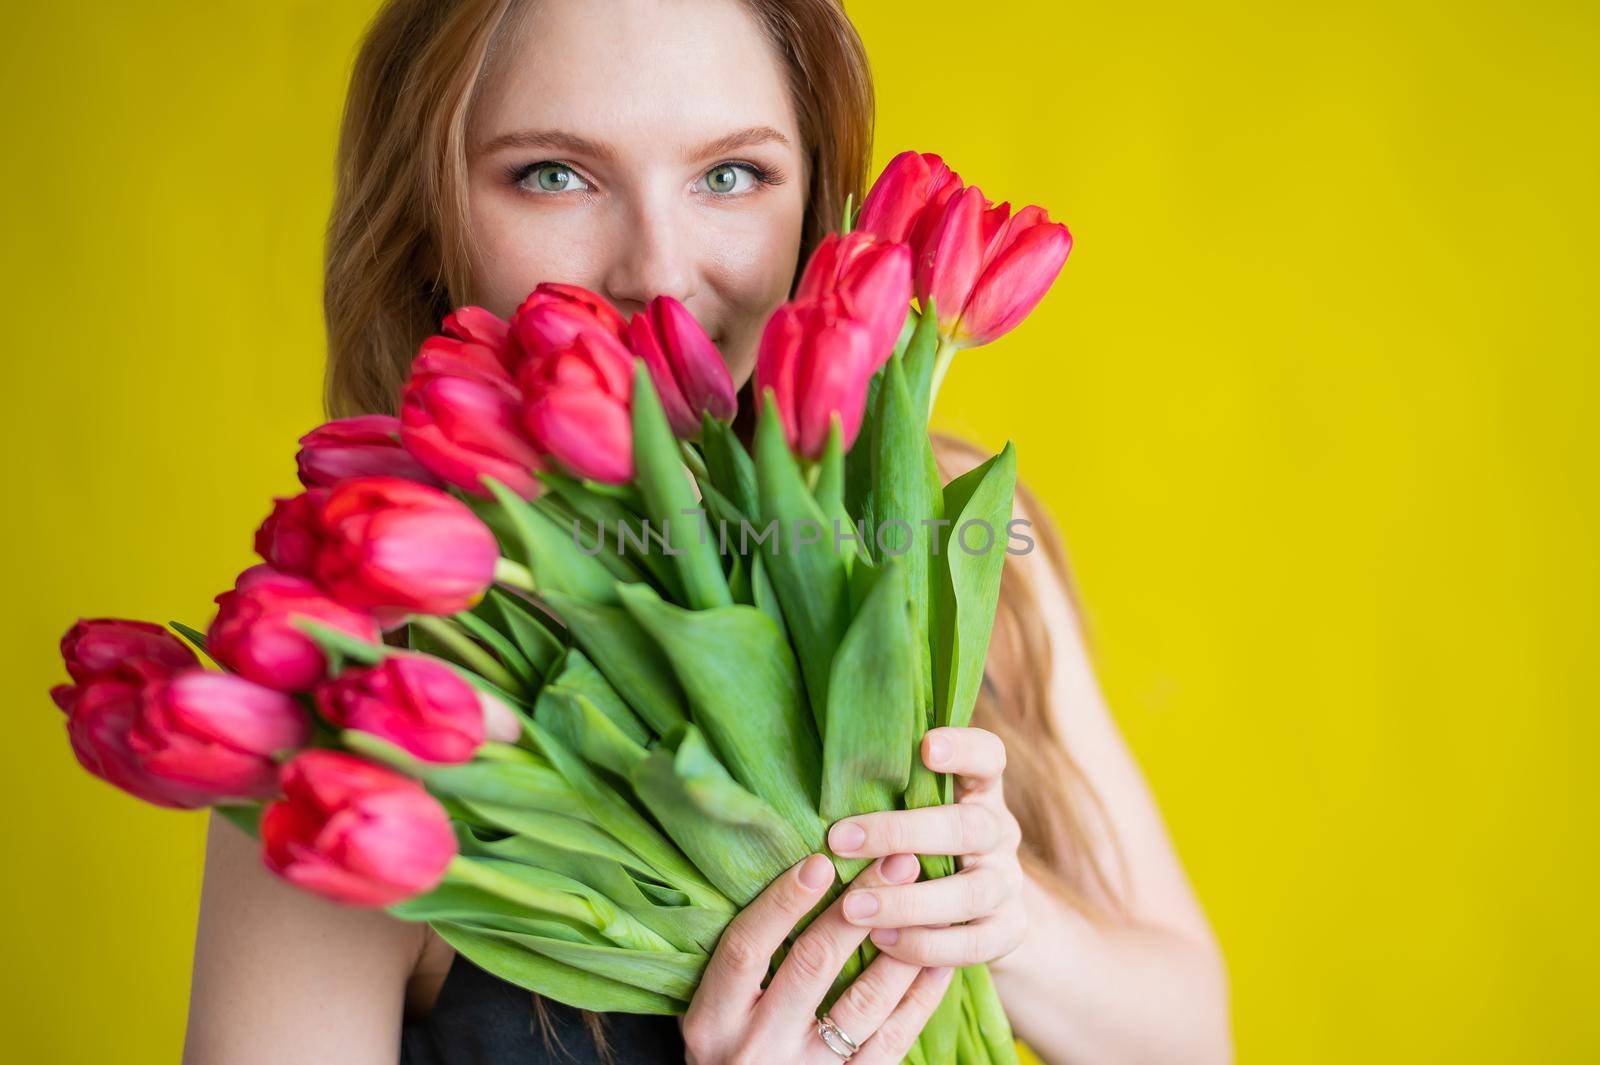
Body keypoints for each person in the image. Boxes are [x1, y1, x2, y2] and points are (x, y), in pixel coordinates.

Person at [182, 1, 1232, 1062]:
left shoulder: (944, 526)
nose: (658, 269)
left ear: (816, 199)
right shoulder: (373, 697)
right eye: (554, 173)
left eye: (730, 175)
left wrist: (1003, 924)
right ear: (425, 220)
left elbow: (1195, 1037)